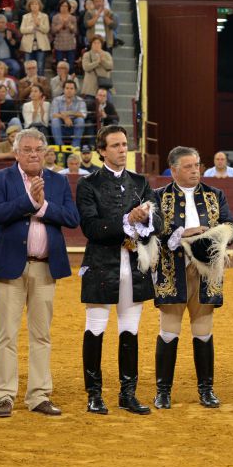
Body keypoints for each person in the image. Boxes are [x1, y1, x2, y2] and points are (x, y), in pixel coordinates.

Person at [0, 128, 80, 418]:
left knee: (42, 335)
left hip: (44, 266)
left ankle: (39, 395)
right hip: (10, 266)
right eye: (27, 149)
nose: (34, 153)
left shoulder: (58, 181)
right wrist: (29, 202)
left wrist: (43, 207)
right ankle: (3, 395)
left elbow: (72, 219)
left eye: (38, 148)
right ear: (16, 153)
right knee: (6, 335)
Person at [77, 125, 159, 415]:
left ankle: (127, 393)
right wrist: (128, 218)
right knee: (96, 329)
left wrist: (144, 220)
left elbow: (157, 224)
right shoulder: (88, 185)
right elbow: (90, 226)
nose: (122, 150)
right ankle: (94, 395)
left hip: (134, 267)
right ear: (101, 151)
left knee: (130, 331)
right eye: (115, 145)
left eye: (124, 144)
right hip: (102, 265)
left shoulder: (140, 182)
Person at [153, 146, 233, 409]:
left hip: (205, 273)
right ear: (174, 170)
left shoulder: (216, 194)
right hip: (173, 270)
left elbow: (232, 228)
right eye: (189, 166)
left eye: (197, 165)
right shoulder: (158, 196)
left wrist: (209, 239)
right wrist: (184, 234)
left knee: (203, 331)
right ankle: (163, 391)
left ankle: (206, 390)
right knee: (169, 330)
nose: (195, 170)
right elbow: (153, 233)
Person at [50, 80, 87, 147]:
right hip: (61, 127)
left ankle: (75, 146)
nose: (69, 90)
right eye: (67, 88)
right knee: (55, 120)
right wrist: (65, 117)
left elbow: (83, 114)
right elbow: (53, 115)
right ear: (63, 89)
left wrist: (69, 113)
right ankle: (60, 146)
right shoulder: (56, 100)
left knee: (80, 120)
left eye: (71, 88)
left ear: (75, 90)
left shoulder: (80, 100)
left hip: (74, 127)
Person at [20, 0, 51, 74]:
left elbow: (46, 30)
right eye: (32, 4)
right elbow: (22, 30)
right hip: (28, 45)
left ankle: (40, 84)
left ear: (39, 5)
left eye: (36, 4)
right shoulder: (25, 17)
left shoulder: (44, 16)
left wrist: (39, 24)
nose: (34, 6)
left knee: (40, 66)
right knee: (28, 66)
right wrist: (32, 28)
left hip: (40, 44)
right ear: (29, 6)